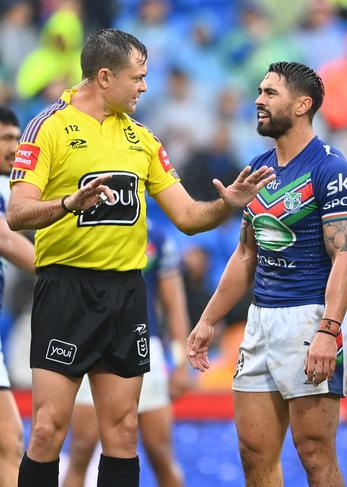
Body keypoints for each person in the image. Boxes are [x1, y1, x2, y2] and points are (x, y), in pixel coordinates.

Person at [7, 28, 274, 487]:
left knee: (125, 430)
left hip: (126, 293)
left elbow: (188, 216)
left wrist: (227, 205)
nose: (145, 87)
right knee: (49, 428)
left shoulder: (142, 138)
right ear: (105, 77)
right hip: (65, 289)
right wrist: (68, 204)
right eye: (138, 77)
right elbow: (17, 213)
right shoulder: (47, 126)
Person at [186, 61, 347, 486]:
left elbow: (346, 259)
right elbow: (245, 255)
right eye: (259, 91)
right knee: (253, 455)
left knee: (315, 454)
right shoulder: (258, 168)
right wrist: (208, 320)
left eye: (270, 93)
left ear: (302, 105)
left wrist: (329, 330)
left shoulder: (332, 170)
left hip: (310, 318)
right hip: (261, 319)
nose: (258, 100)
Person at [63, 219, 191, 486]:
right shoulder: (84, 226)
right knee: (82, 449)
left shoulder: (154, 236)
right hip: (91, 346)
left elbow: (174, 306)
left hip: (145, 347)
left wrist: (180, 363)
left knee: (160, 453)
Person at [0, 106, 36, 487]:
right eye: (6, 138)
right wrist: (61, 267)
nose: (15, 146)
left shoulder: (11, 189)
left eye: (17, 137)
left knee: (9, 442)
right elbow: (6, 238)